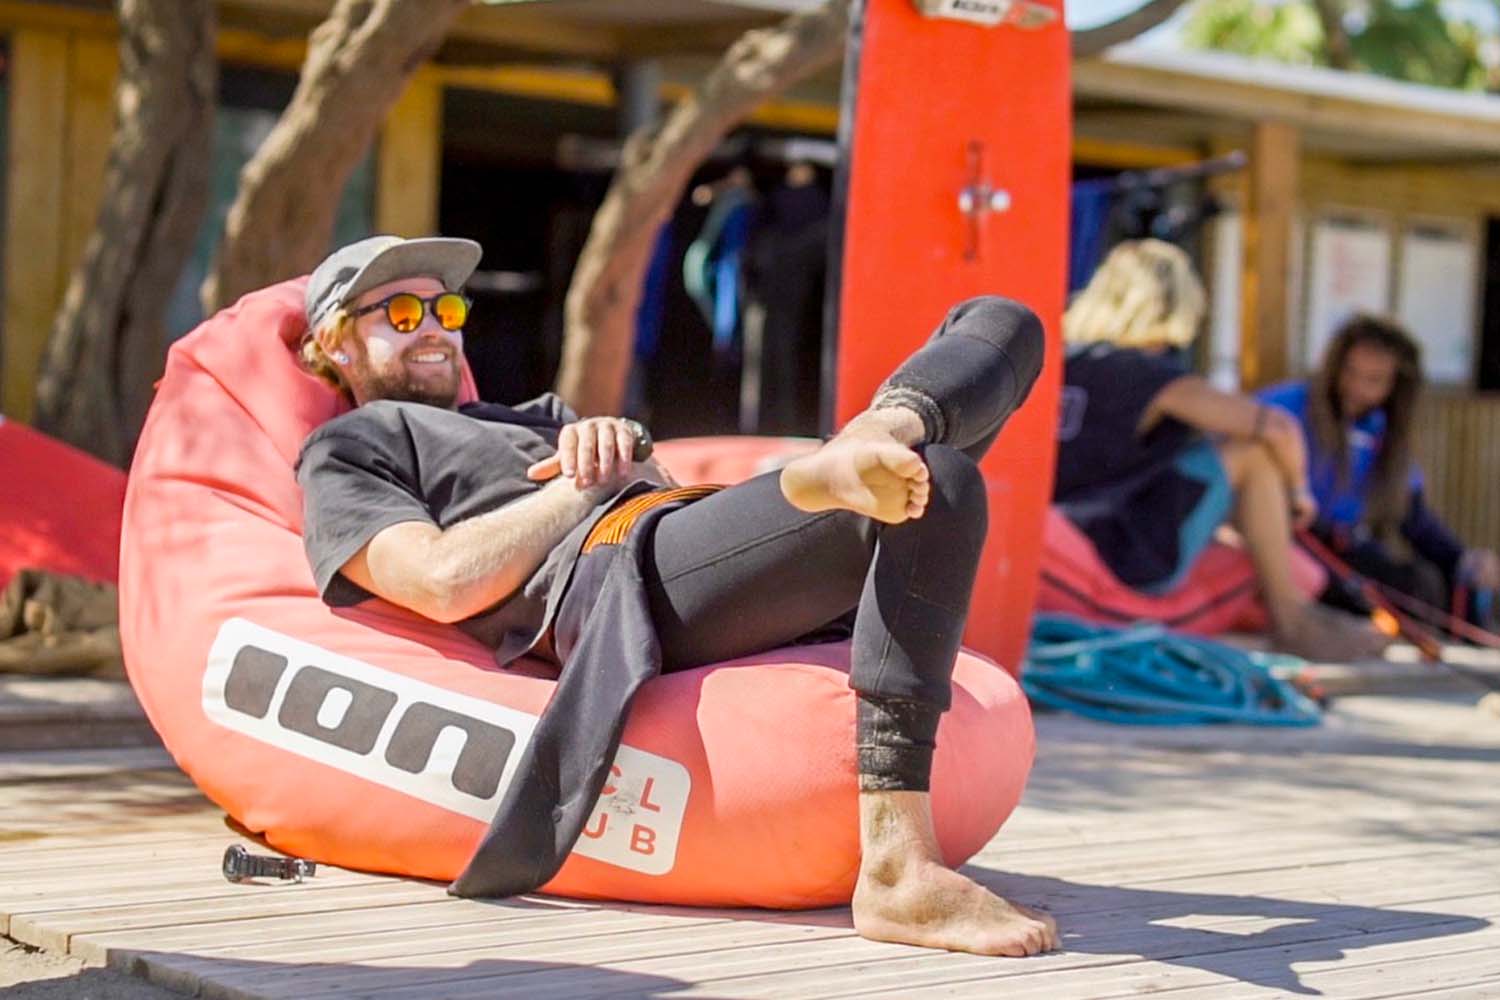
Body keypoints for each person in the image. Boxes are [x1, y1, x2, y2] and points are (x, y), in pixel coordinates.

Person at [293, 235, 1057, 957]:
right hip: (613, 574)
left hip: (689, 532)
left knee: (1002, 327)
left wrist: (625, 459)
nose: (433, 326)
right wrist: (587, 485)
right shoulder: (351, 447)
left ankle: (883, 426)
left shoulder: (545, 418)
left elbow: (661, 495)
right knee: (941, 481)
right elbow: (441, 579)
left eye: (447, 308)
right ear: (334, 342)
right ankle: (897, 869)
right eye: (400, 312)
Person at [1054, 239, 1383, 661]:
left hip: (1064, 523)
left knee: (1208, 464)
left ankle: (1299, 606)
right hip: (1122, 550)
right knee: (1253, 453)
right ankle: (1290, 619)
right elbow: (1277, 427)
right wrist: (1299, 492)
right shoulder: (1152, 375)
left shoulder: (1065, 361)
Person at [1259, 315, 1500, 625]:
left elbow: (1412, 517)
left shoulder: (1383, 432)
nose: (1356, 387)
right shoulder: (1285, 406)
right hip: (1283, 544)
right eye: (1349, 371)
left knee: (1426, 585)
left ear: (1395, 386)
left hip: (1348, 550)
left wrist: (1462, 559)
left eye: (1374, 380)